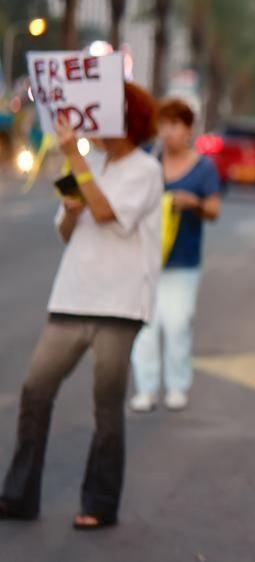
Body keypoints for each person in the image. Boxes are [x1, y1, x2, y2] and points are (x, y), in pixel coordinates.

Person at [0, 83, 162, 529]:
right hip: (72, 295)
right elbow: (69, 230)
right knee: (35, 391)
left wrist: (74, 159)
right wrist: (71, 211)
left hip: (121, 304)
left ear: (129, 119)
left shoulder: (146, 170)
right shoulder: (91, 162)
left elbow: (110, 214)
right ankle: (19, 493)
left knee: (106, 406)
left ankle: (100, 503)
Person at [130, 98, 222, 413]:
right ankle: (146, 388)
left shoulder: (203, 168)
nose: (168, 132)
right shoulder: (147, 159)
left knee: (177, 323)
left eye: (176, 124)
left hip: (183, 262)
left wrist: (193, 203)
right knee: (145, 327)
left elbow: (214, 209)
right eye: (164, 124)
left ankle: (177, 385)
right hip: (145, 259)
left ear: (188, 129)